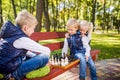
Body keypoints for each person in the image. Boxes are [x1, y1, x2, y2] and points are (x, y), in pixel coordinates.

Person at [0, 10, 51, 80]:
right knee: (44, 57)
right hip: (8, 69)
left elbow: (24, 52)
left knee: (33, 56)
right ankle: (14, 75)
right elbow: (46, 51)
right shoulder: (22, 39)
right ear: (26, 28)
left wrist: (35, 56)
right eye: (33, 29)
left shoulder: (11, 35)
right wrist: (44, 59)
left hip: (5, 65)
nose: (33, 31)